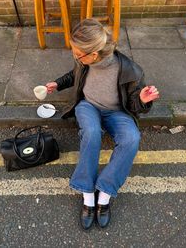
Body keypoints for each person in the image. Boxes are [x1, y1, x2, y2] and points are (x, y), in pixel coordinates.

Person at [46, 18, 159, 230]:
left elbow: (134, 105)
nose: (75, 56)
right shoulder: (84, 60)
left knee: (131, 138)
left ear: (94, 54)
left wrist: (143, 101)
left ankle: (104, 194)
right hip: (88, 106)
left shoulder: (131, 71)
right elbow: (74, 75)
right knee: (91, 132)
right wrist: (58, 84)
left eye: (77, 54)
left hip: (117, 112)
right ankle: (88, 194)